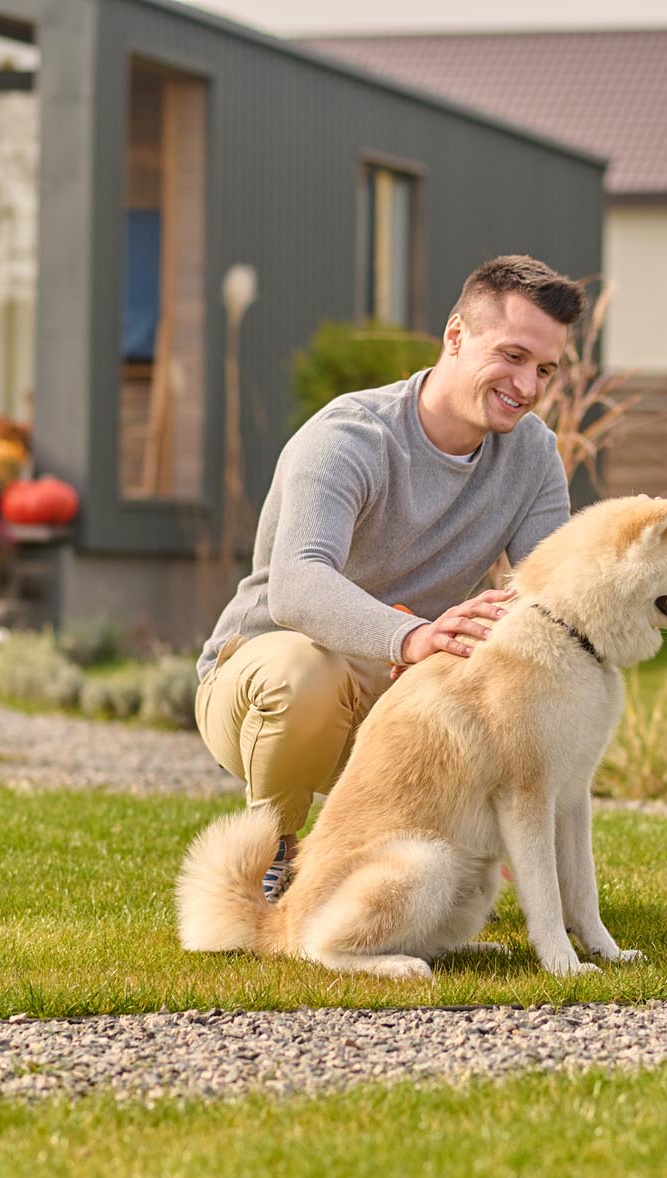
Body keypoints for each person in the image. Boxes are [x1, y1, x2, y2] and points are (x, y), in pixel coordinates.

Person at [194, 255, 583, 900]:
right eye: (512, 356)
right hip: (262, 684)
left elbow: (550, 594)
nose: (529, 385)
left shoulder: (532, 452)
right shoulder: (351, 436)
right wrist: (414, 639)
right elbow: (297, 583)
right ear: (455, 336)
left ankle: (475, 867)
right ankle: (274, 862)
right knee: (303, 673)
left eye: (544, 369)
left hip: (405, 684)